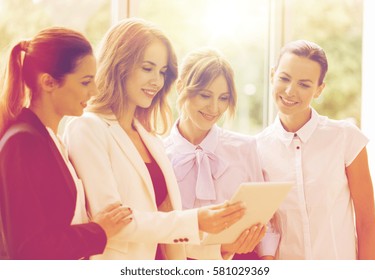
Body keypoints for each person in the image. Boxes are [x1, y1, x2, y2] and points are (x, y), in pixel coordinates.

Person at [63, 18, 245, 260]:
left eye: (162, 72)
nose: (157, 81)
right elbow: (115, 223)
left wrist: (221, 248)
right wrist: (197, 220)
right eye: (147, 69)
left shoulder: (150, 138)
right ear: (119, 65)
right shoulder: (88, 128)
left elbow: (165, 228)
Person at [0, 27, 132, 260]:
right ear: (49, 82)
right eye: (85, 82)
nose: (94, 91)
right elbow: (29, 249)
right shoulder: (23, 142)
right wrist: (98, 231)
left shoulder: (51, 139)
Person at [256, 39, 375, 259]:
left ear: (319, 89)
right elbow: (264, 227)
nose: (290, 91)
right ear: (272, 75)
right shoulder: (257, 149)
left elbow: (366, 223)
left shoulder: (346, 138)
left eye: (304, 84)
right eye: (284, 78)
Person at [164, 48, 279, 260]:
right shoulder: (160, 155)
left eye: (223, 98)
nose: (214, 108)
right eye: (205, 95)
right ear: (180, 87)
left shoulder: (244, 148)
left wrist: (266, 260)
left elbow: (267, 221)